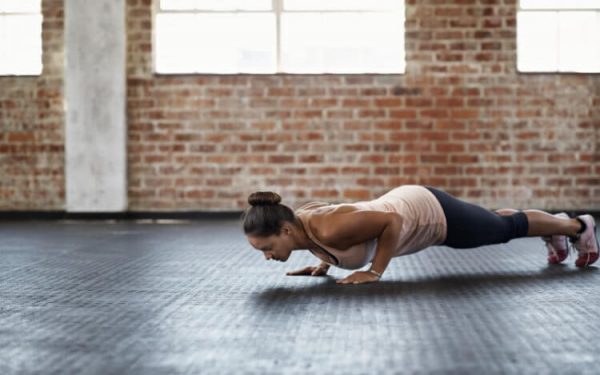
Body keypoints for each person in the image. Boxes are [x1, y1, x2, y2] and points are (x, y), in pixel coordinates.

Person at [241, 185, 599, 285]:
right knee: (493, 223)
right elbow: (338, 222)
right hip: (413, 202)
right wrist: (324, 264)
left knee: (503, 229)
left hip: (427, 215)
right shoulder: (302, 224)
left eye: (267, 247)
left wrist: (374, 271)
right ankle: (555, 226)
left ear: (286, 230)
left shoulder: (328, 228)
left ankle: (577, 226)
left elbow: (390, 222)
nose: (267, 255)